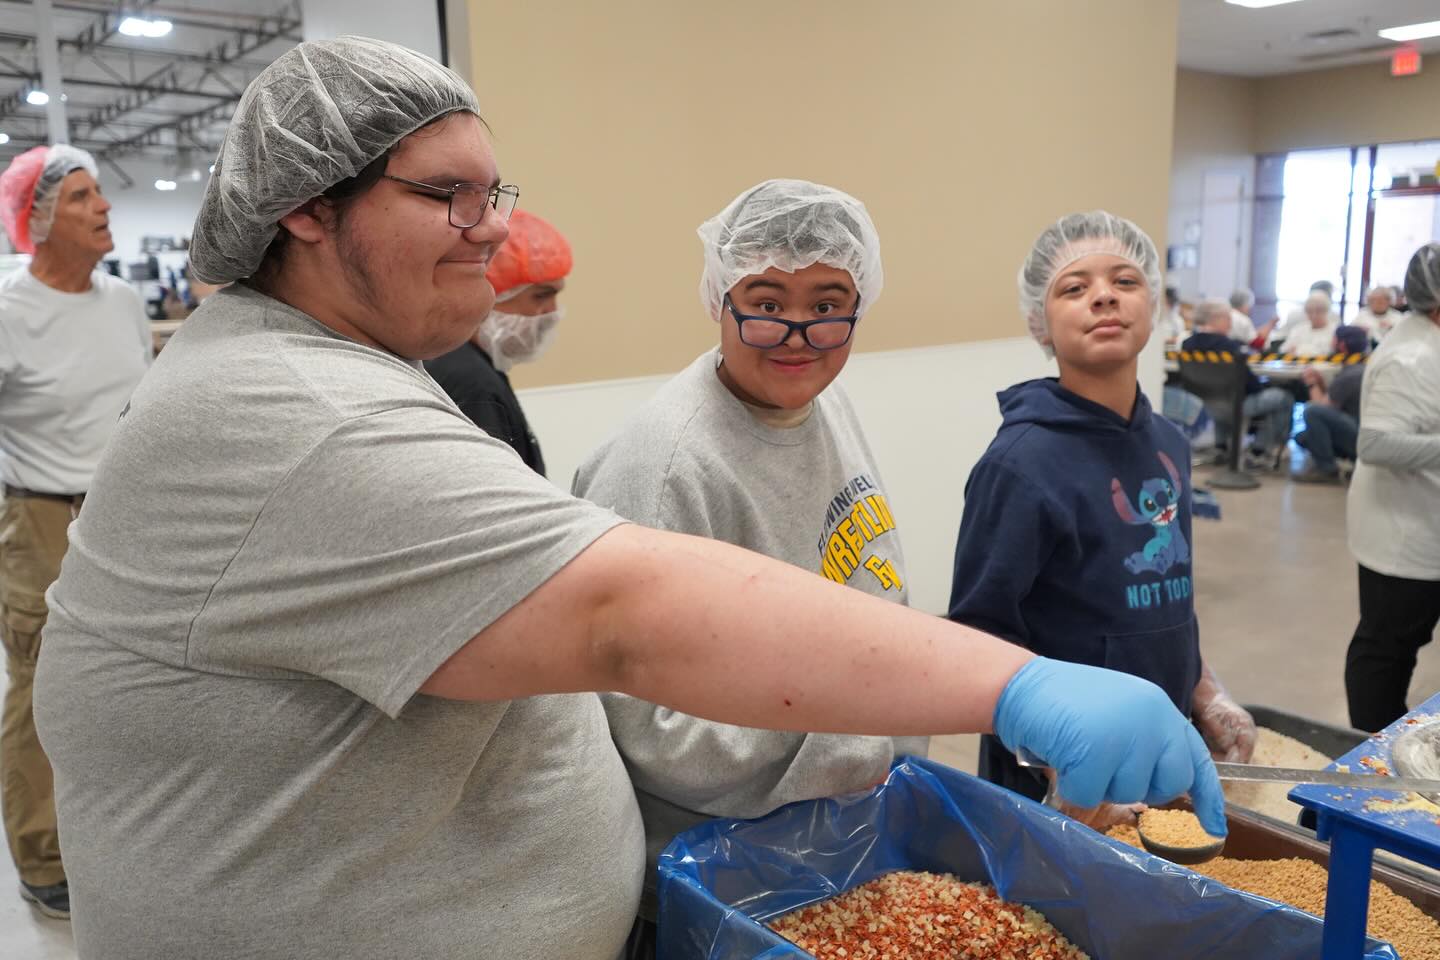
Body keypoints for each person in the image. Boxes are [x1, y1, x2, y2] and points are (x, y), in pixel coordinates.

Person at [30, 38, 1224, 960]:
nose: (493, 234)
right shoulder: (292, 415)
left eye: (497, 194)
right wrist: (1014, 682)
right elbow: (628, 615)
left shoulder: (346, 370)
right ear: (305, 203)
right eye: (450, 196)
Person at [573, 180, 915, 951]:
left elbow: (867, 574)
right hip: (717, 877)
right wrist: (861, 734)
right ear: (720, 300)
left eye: (828, 305)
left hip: (826, 839)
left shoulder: (823, 404)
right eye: (767, 300)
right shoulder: (666, 467)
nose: (798, 333)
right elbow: (648, 724)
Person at [949, 214, 1255, 828]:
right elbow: (978, 644)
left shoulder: (1168, 442)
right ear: (1042, 323)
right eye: (1074, 287)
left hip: (1156, 755)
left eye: (1125, 280)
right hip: (1058, 787)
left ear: (1154, 305)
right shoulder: (1019, 465)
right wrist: (1064, 768)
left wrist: (1204, 693)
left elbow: (1167, 600)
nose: (1104, 295)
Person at [0, 144, 152, 920]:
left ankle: (121, 826)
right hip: (42, 517)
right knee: (40, 684)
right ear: (39, 219)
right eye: (85, 196)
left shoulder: (123, 301)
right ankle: (42, 854)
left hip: (127, 512)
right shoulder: (8, 311)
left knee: (132, 672)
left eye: (101, 193)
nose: (105, 207)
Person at [1344, 242, 1440, 732]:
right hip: (1403, 532)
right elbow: (1377, 443)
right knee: (1386, 646)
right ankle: (1370, 748)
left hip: (1423, 522)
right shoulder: (1412, 357)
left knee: (1402, 638)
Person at [424, 208, 566, 474]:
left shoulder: (471, 365)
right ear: (493, 293)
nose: (552, 313)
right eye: (541, 296)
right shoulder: (472, 383)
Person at [1183, 299, 1294, 467]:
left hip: (1205, 404)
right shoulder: (1230, 347)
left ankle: (1221, 447)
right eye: (1228, 318)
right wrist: (1263, 386)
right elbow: (1251, 385)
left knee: (1219, 393)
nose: (1230, 323)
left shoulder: (1187, 345)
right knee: (1283, 397)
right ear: (1216, 319)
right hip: (1236, 405)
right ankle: (1259, 450)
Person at [1292, 325, 1368, 484]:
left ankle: (1327, 470)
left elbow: (1323, 406)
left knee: (1312, 412)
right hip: (1362, 428)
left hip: (1359, 432)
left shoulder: (1349, 375)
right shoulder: (1360, 368)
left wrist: (1311, 383)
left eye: (1333, 340)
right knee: (1303, 438)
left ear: (1342, 345)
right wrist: (1320, 381)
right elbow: (1334, 400)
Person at [1281, 292, 1341, 357]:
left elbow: (1330, 352)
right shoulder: (1298, 329)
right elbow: (1284, 350)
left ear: (1326, 311)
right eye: (1309, 311)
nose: (1314, 315)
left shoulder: (1336, 331)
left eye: (1318, 311)